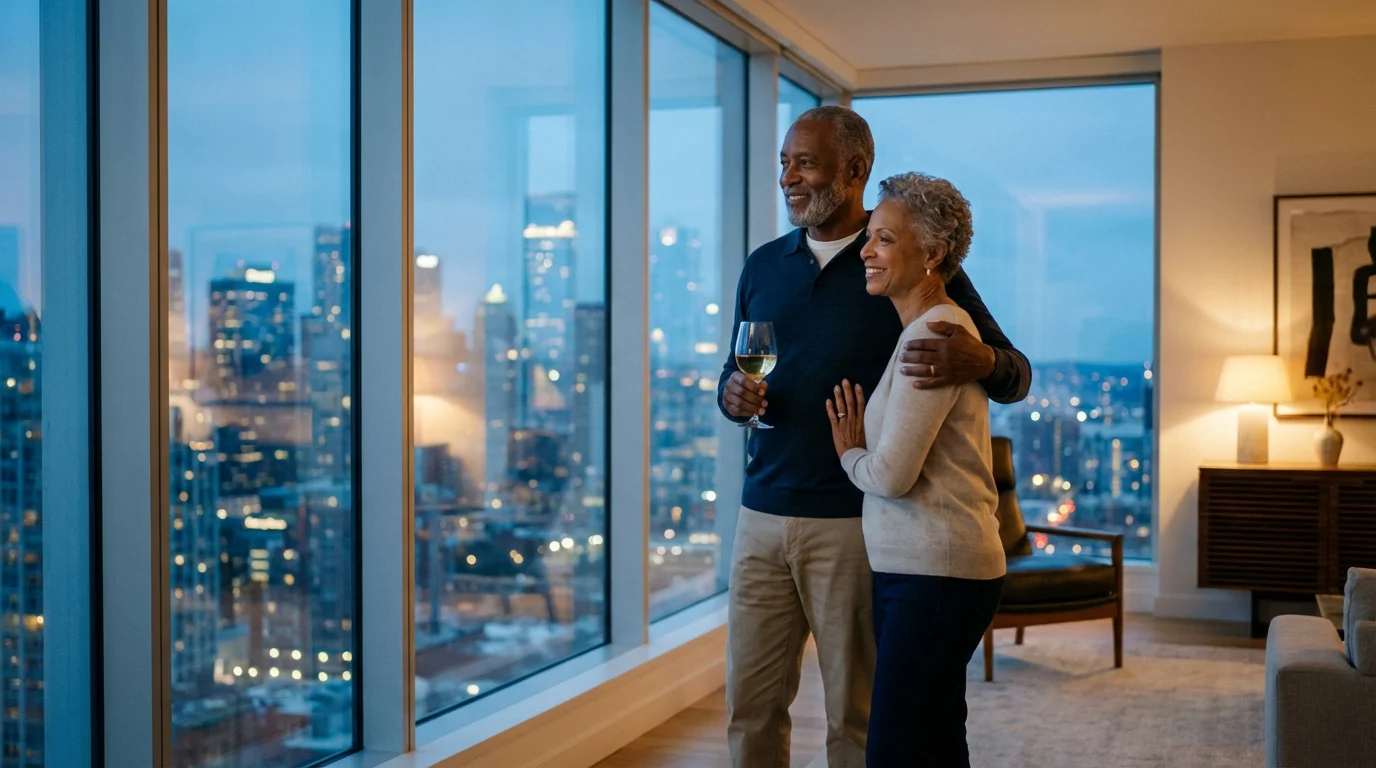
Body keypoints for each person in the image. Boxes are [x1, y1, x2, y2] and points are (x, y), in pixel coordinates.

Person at [717, 106, 1029, 768]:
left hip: (853, 525)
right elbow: (731, 372)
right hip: (760, 518)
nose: (788, 178)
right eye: (783, 163)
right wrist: (732, 396)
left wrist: (982, 361)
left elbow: (1011, 370)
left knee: (856, 719)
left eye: (804, 162)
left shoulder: (903, 258)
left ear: (854, 169)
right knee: (750, 706)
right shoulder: (764, 266)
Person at [827, 172, 1005, 768]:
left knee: (896, 750)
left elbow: (890, 476)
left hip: (936, 576)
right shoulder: (929, 328)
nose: (867, 252)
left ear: (931, 254)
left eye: (882, 239)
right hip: (932, 573)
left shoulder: (934, 335)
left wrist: (849, 449)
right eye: (869, 238)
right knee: (934, 743)